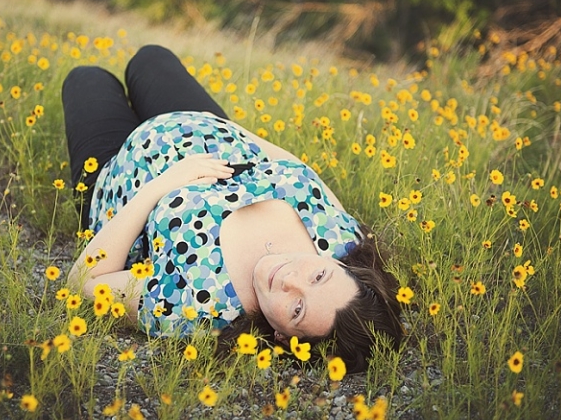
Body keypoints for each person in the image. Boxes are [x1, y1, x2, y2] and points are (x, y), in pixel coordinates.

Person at [63, 44, 403, 373]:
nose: (290, 279)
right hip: (203, 127)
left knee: (85, 77)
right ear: (339, 266)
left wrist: (163, 184)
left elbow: (83, 282)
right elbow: (296, 167)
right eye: (319, 276)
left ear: (284, 339)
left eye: (297, 308)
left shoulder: (199, 306)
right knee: (150, 58)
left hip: (121, 171)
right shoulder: (340, 240)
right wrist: (226, 126)